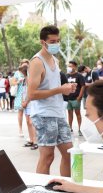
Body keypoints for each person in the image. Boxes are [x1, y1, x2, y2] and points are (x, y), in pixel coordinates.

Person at [27, 26, 76, 176]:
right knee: (47, 156)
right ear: (43, 42)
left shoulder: (55, 60)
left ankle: (66, 187)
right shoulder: (36, 62)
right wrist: (60, 90)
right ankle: (40, 190)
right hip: (43, 114)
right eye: (52, 41)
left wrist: (66, 88)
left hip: (58, 112)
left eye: (58, 41)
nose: (56, 44)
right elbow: (31, 94)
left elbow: (54, 86)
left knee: (69, 153)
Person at [66, 61, 85, 136]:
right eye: (69, 66)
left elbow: (83, 86)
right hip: (68, 98)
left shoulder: (79, 75)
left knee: (78, 113)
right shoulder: (66, 75)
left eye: (71, 66)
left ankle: (80, 129)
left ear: (75, 67)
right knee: (69, 114)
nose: (69, 67)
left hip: (76, 98)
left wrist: (79, 97)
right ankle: (70, 128)